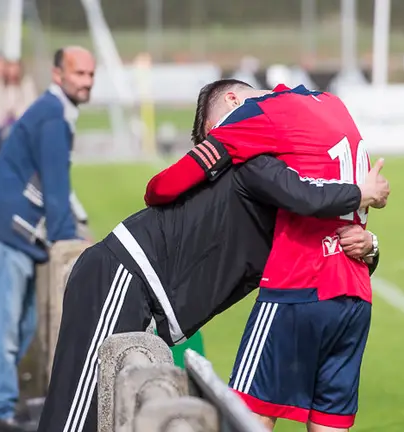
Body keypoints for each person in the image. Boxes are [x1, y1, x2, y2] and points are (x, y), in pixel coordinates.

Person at [36, 154, 389, 432]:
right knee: (76, 415)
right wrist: (362, 193)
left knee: (98, 412)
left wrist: (369, 244)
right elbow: (307, 196)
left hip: (143, 291)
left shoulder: (275, 178)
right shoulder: (254, 163)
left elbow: (327, 245)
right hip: (124, 275)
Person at [144, 80, 382, 431]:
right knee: (330, 423)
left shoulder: (256, 115)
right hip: (354, 293)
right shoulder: (332, 104)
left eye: (214, 132)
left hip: (297, 287)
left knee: (243, 419)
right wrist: (372, 242)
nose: (218, 142)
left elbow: (164, 186)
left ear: (232, 101)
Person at [0, 46, 95, 432]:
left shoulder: (55, 113)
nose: (86, 82)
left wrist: (72, 225)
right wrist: (70, 241)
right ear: (57, 75)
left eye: (89, 75)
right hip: (7, 230)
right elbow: (55, 188)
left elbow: (58, 190)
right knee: (5, 330)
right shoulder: (52, 116)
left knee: (22, 326)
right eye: (78, 74)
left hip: (18, 234)